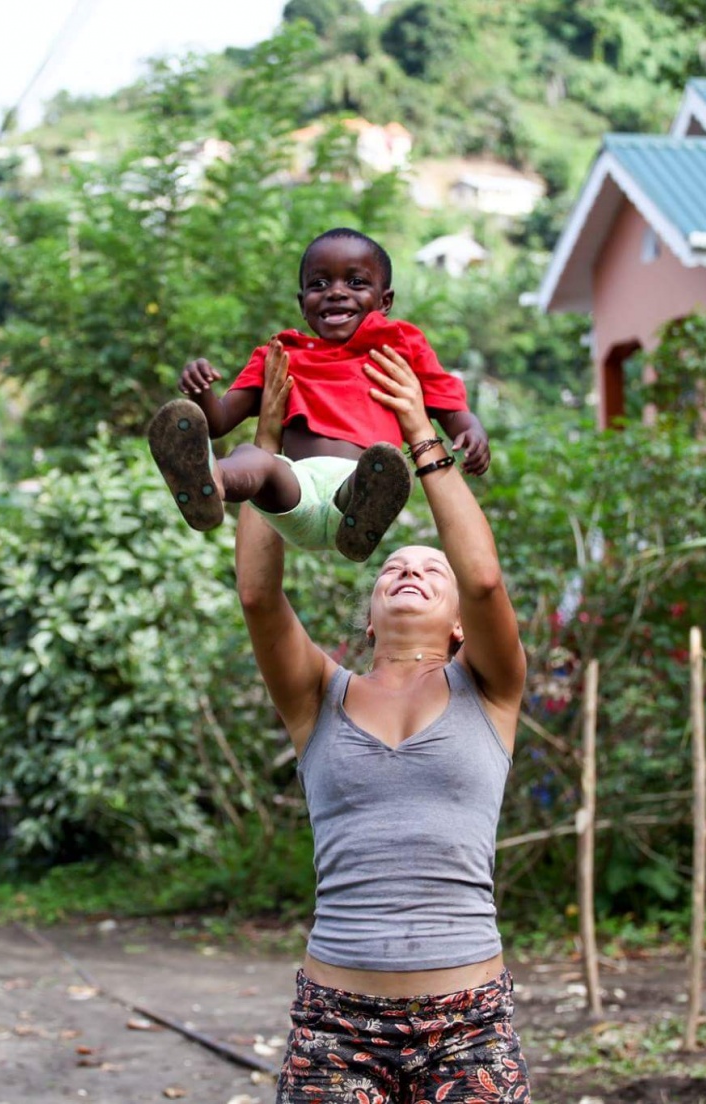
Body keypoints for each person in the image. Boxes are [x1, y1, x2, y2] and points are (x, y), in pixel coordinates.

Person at [235, 344, 531, 1102]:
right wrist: (266, 446)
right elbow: (260, 600)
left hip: (470, 1026)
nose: (408, 571)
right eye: (392, 567)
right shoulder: (317, 699)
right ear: (368, 618)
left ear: (461, 623)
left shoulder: (490, 691)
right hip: (335, 1027)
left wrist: (419, 432)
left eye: (431, 572)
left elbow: (486, 575)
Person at [148, 227, 490, 562]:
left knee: (382, 466)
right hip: (297, 488)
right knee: (254, 457)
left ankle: (361, 518)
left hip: (359, 493)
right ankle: (212, 482)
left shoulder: (400, 344)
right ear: (302, 303)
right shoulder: (280, 354)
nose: (336, 292)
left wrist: (470, 430)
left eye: (355, 282)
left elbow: (449, 404)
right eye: (319, 284)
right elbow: (218, 421)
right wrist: (202, 390)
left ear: (384, 301)